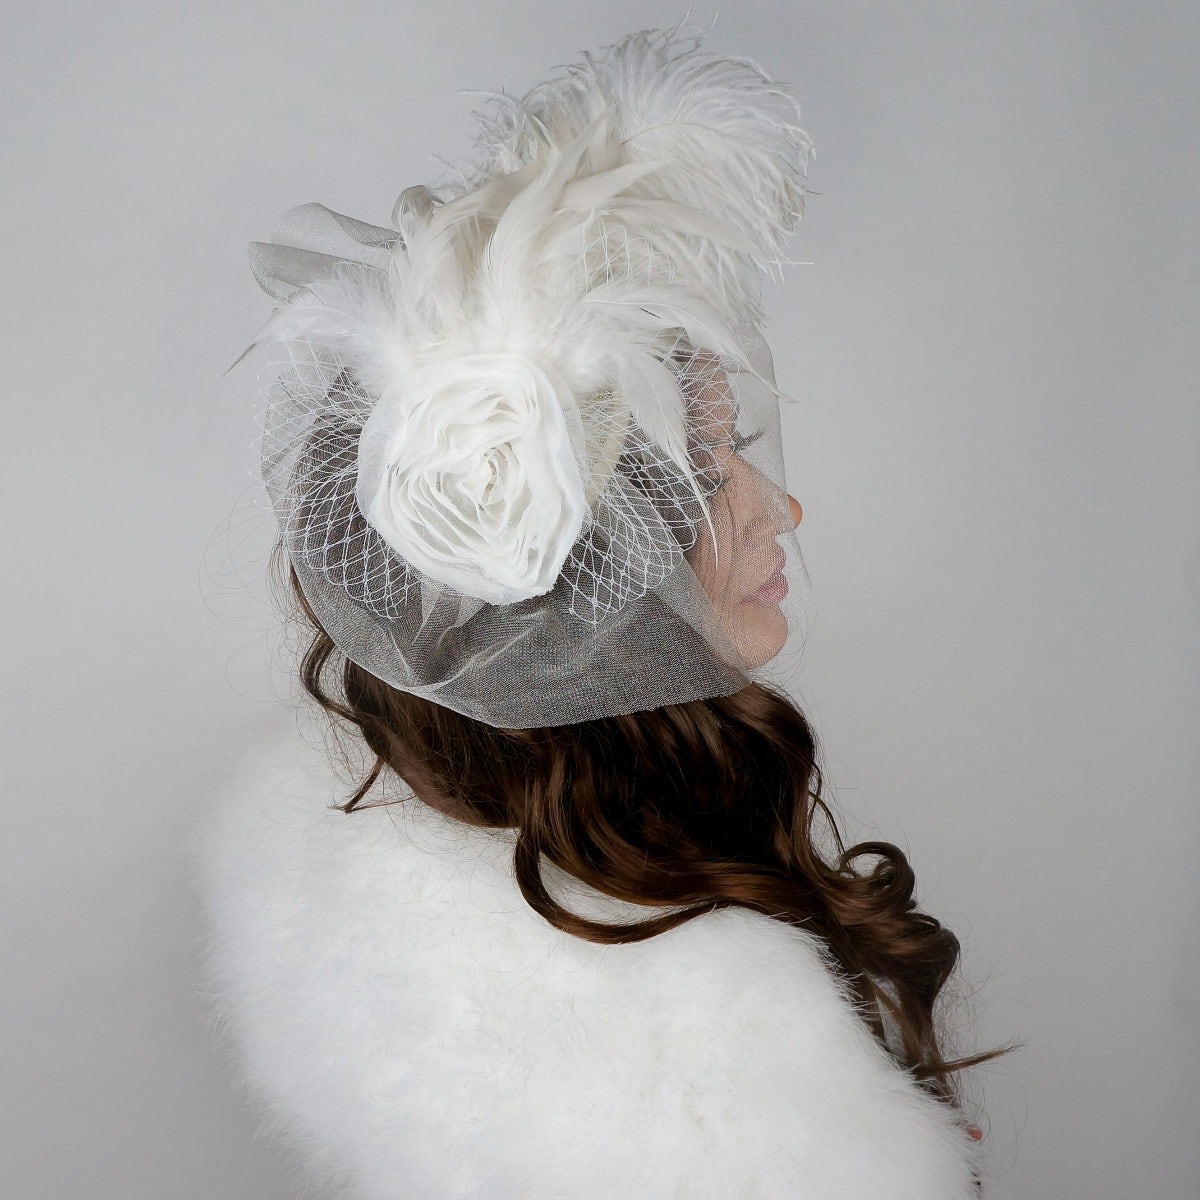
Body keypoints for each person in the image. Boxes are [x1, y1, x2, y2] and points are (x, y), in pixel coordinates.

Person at [193, 25, 1004, 1199]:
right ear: (582, 583)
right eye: (713, 470)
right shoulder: (723, 1099)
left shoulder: (357, 877)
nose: (782, 508)